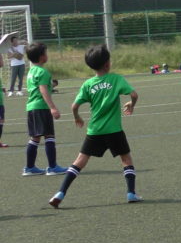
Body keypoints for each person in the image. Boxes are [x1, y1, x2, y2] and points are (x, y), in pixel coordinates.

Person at [48, 45, 141, 208]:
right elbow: (134, 94)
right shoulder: (116, 79)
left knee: (80, 161)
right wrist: (131, 105)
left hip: (95, 130)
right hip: (114, 130)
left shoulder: (88, 84)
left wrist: (77, 117)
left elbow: (74, 106)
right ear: (107, 64)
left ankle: (60, 193)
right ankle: (131, 193)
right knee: (126, 159)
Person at [22, 42, 68, 176]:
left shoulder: (31, 71)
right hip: (41, 107)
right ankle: (52, 167)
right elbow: (43, 90)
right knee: (49, 136)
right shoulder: (43, 72)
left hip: (31, 107)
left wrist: (50, 85)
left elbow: (39, 87)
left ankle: (29, 168)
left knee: (35, 138)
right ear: (42, 56)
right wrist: (53, 107)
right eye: (46, 53)